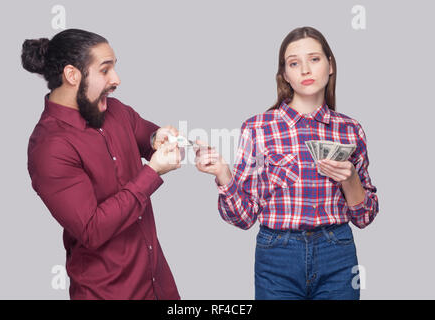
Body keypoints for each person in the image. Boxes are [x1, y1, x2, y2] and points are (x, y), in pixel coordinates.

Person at [194, 26, 379, 300]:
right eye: (294, 63)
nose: (305, 69)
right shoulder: (258, 128)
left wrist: (350, 180)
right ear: (285, 75)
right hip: (277, 255)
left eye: (314, 59)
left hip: (338, 253)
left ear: (330, 66)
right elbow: (243, 217)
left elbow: (365, 217)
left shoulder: (351, 130)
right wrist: (223, 174)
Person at [22, 29, 182, 300]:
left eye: (114, 69)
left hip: (158, 286)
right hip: (108, 293)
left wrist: (158, 138)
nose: (116, 80)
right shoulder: (49, 147)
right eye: (105, 70)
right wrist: (152, 172)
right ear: (72, 76)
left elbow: (145, 135)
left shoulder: (115, 110)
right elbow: (92, 229)